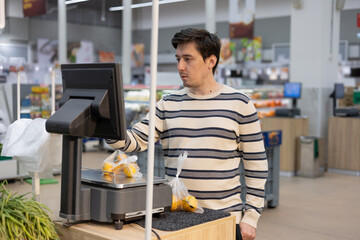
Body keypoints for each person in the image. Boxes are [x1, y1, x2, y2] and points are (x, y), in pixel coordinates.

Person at [107, 28, 268, 240]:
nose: (180, 66)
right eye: (178, 59)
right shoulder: (168, 103)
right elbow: (135, 140)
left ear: (211, 61)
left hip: (224, 219)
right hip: (178, 217)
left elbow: (256, 164)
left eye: (188, 59)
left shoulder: (240, 104)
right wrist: (108, 124)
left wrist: (251, 217)